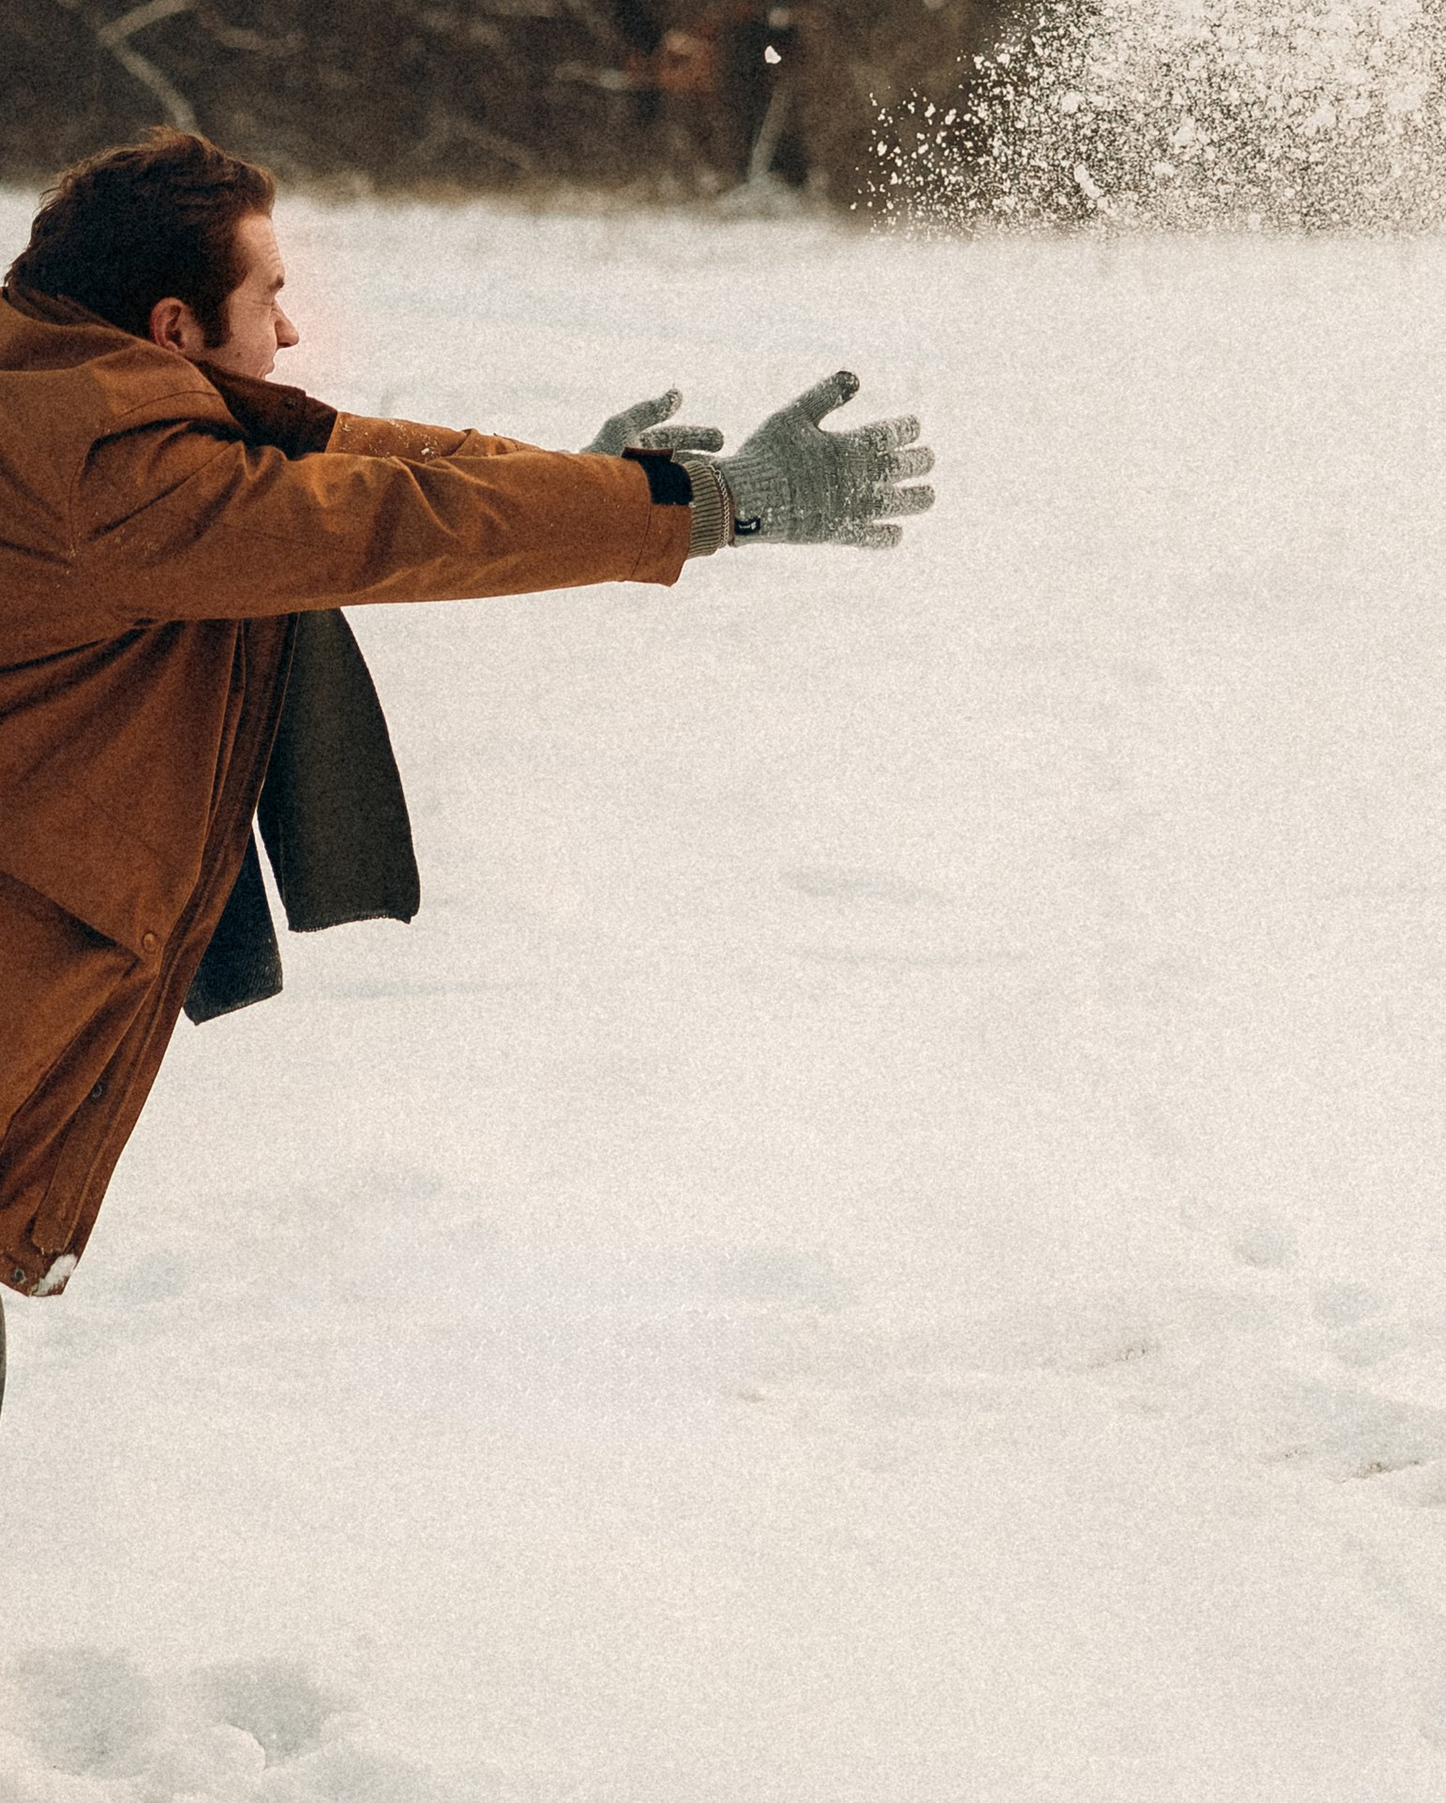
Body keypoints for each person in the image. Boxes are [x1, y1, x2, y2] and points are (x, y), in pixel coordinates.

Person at [0, 131, 933, 1360]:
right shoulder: (115, 477)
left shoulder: (59, 387)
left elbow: (353, 458)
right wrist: (705, 507)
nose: (289, 335)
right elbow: (385, 523)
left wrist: (596, 488)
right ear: (172, 328)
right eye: (270, 299)